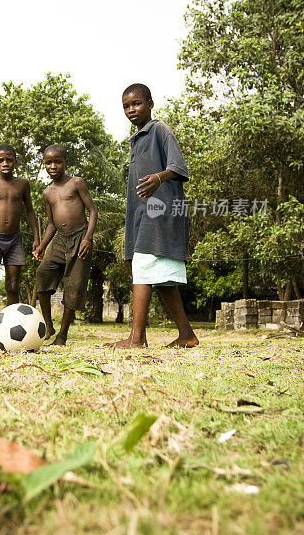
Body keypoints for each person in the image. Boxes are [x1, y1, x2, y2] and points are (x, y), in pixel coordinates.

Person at [115, 83, 198, 349]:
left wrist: (160, 177)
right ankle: (187, 335)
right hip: (145, 214)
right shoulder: (136, 139)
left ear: (150, 104)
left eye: (136, 104)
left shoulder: (159, 130)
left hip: (161, 211)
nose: (131, 110)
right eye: (126, 106)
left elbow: (178, 166)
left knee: (142, 266)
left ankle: (137, 339)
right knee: (161, 277)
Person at [0, 144, 39, 343]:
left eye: (9, 159)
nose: (5, 163)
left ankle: (10, 332)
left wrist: (37, 238)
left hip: (15, 239)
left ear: (15, 161)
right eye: (0, 160)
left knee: (12, 286)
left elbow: (29, 211)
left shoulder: (23, 184)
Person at [33, 145, 98, 346]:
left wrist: (87, 238)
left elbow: (93, 212)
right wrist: (42, 246)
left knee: (74, 286)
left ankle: (62, 335)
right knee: (42, 275)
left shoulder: (76, 183)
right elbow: (52, 223)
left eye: (57, 162)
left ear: (65, 162)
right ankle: (49, 326)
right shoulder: (47, 193)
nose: (53, 166)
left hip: (80, 238)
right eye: (48, 162)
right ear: (44, 164)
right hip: (60, 241)